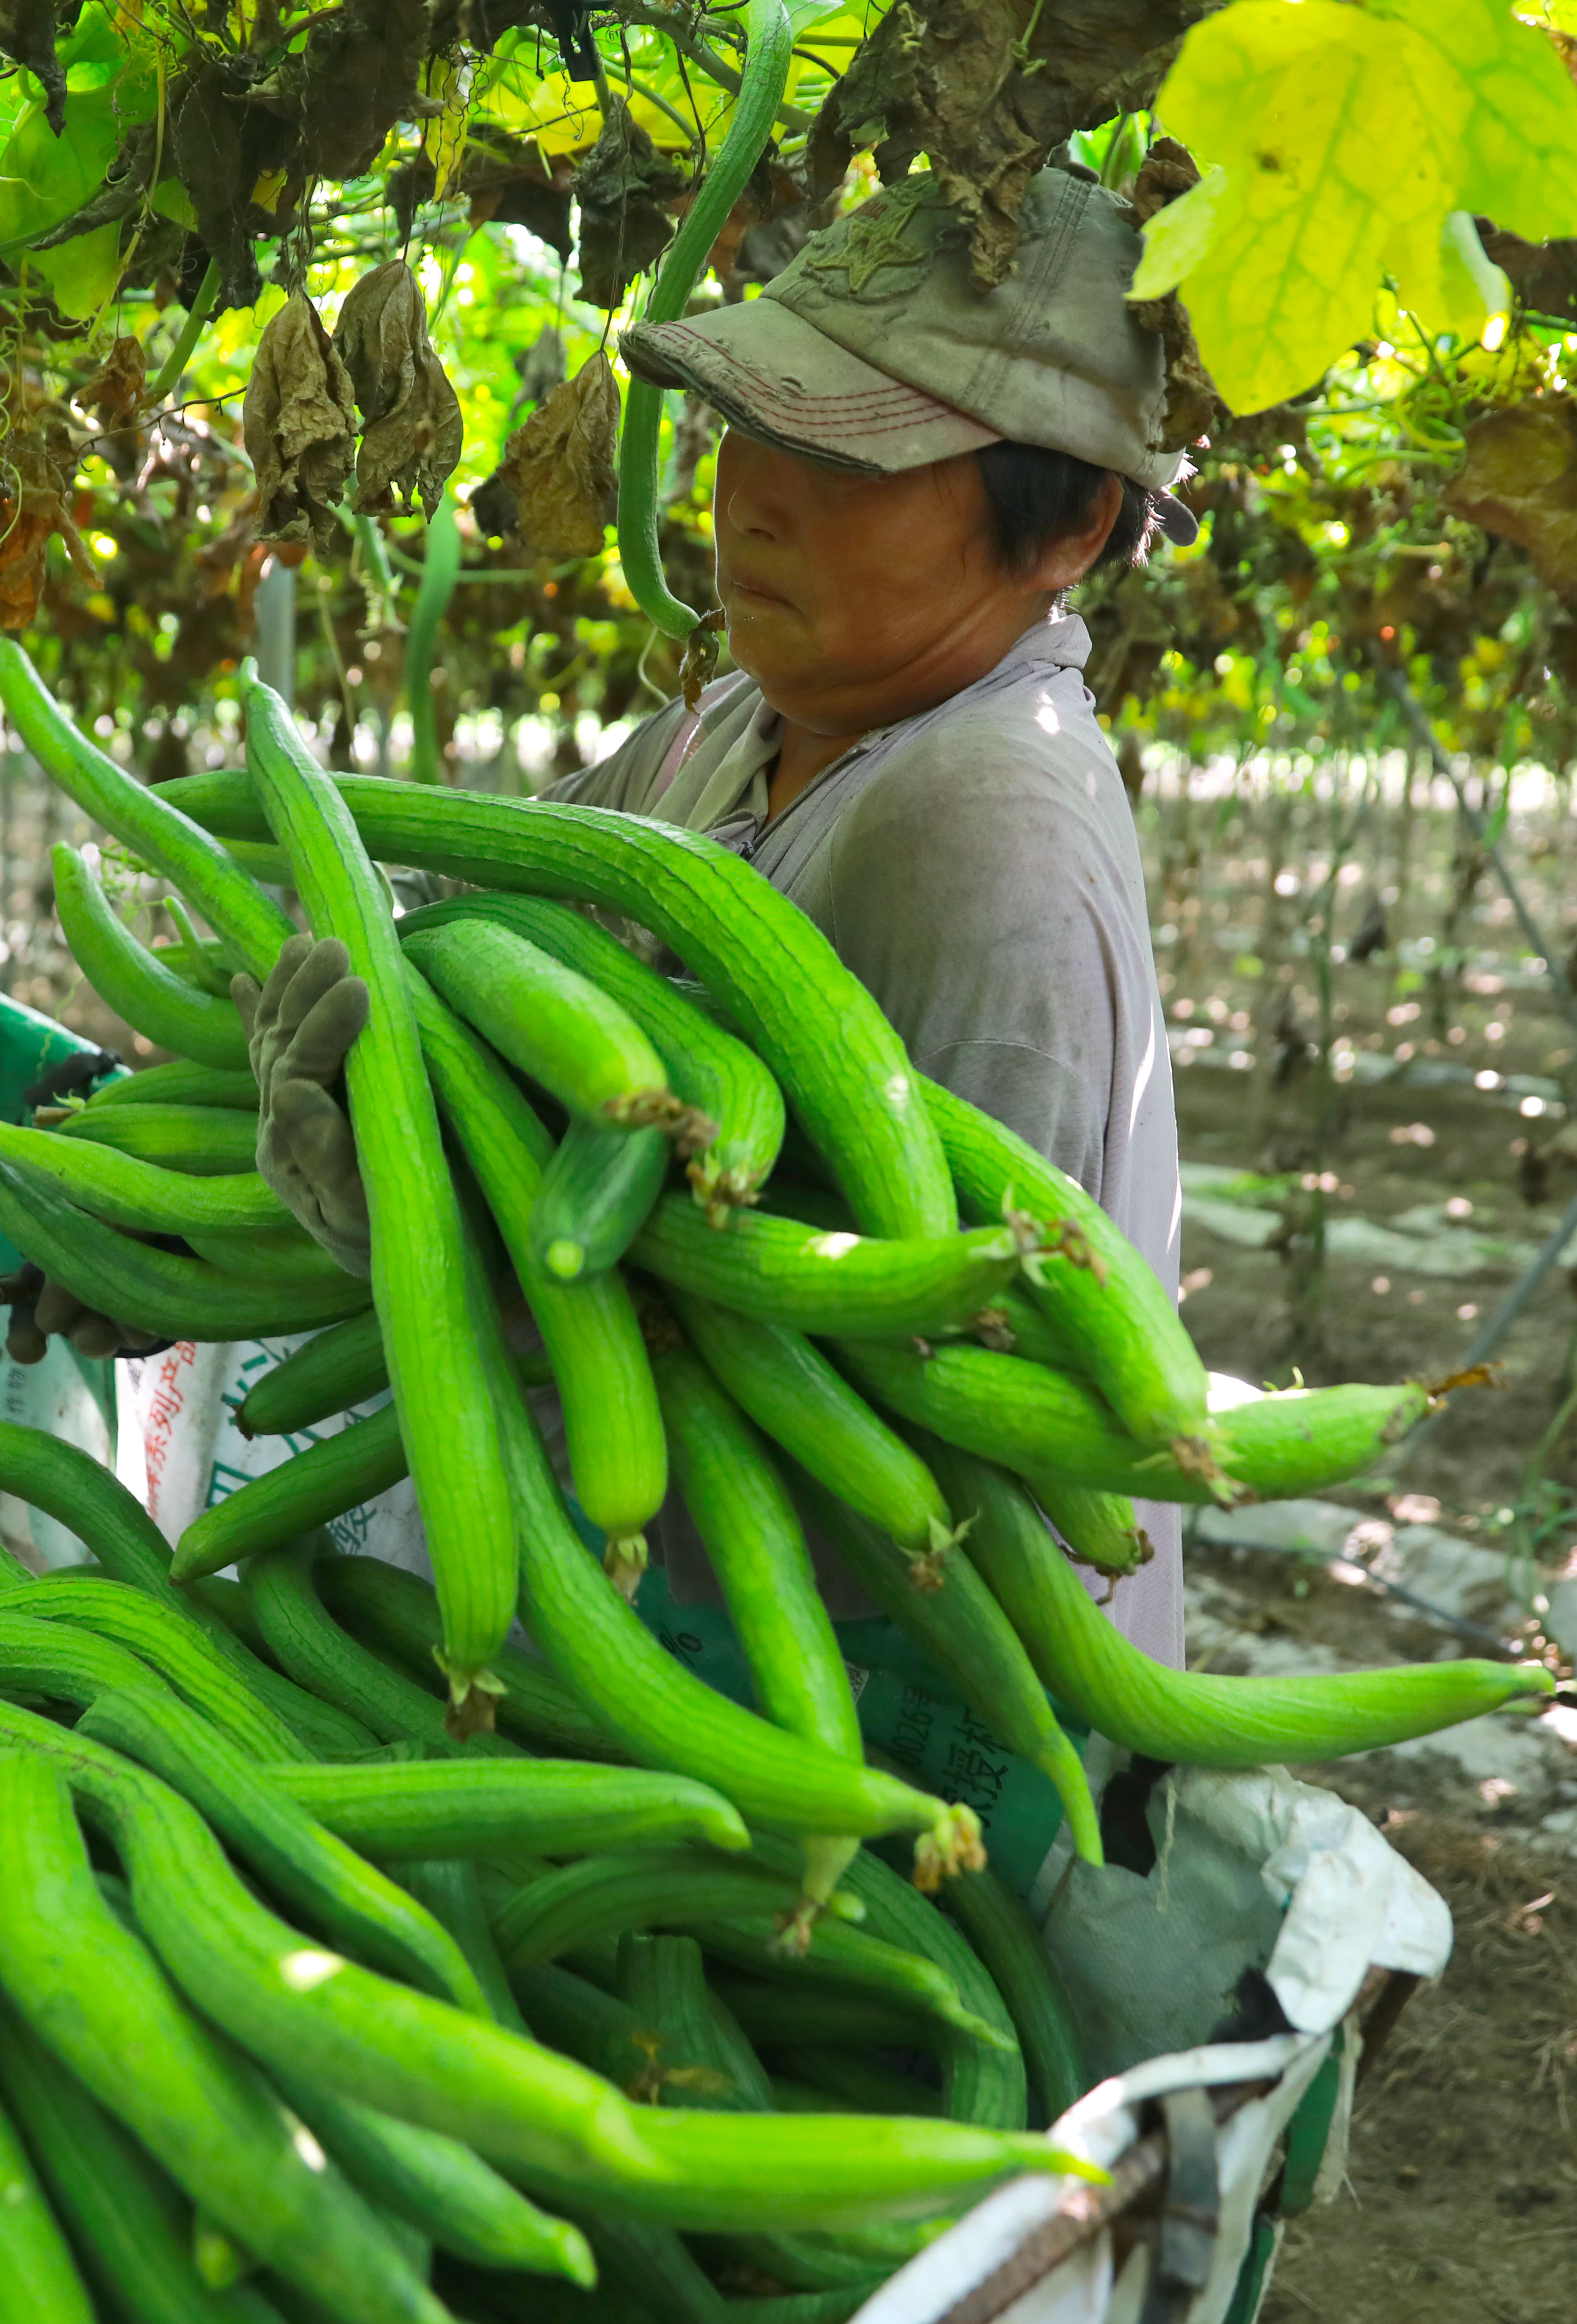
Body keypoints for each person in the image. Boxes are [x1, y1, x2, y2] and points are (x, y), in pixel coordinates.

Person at [66, 162, 1197, 1656]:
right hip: (634, 1651)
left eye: (852, 457)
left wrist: (439, 1235)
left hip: (862, 1722)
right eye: (753, 423)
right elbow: (436, 959)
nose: (757, 496)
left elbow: (934, 1424)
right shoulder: (732, 725)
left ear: (1068, 530)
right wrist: (167, 1227)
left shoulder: (983, 822)